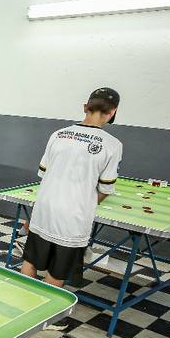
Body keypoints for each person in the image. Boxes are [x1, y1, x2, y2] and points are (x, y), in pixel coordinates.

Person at [21, 88, 123, 289]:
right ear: (113, 112)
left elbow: (44, 174)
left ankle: (23, 302)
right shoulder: (113, 145)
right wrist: (85, 203)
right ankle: (44, 307)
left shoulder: (58, 135)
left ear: (85, 107)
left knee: (30, 261)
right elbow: (105, 189)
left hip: (44, 211)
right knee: (57, 272)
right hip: (72, 219)